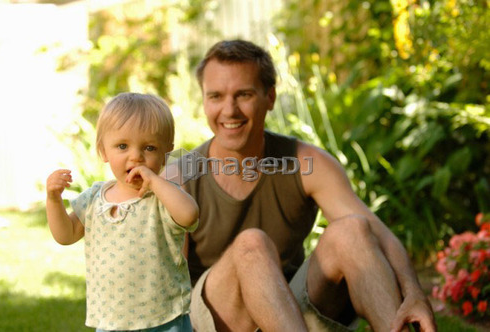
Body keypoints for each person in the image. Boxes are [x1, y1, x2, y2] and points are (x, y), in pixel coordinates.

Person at [178, 40, 436, 331]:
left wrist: (414, 291)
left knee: (353, 229)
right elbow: (165, 285)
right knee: (252, 244)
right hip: (217, 320)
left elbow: (379, 234)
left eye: (244, 94)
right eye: (215, 96)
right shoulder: (180, 177)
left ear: (270, 97)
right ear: (204, 100)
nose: (229, 110)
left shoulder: (307, 162)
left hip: (291, 313)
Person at [46, 92, 199, 332]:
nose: (136, 156)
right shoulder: (94, 199)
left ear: (165, 153)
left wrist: (155, 181)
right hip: (112, 320)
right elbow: (65, 235)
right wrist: (54, 200)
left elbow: (190, 216)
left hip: (164, 318)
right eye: (122, 146)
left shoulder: (163, 198)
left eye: (149, 147)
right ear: (104, 151)